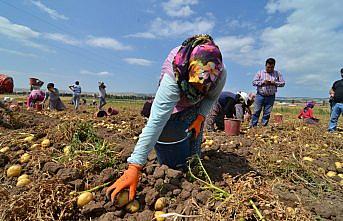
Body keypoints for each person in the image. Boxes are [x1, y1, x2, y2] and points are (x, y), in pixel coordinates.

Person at [105, 34, 226, 203]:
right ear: (189, 72)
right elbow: (156, 120)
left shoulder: (219, 74)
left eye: (203, 88)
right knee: (166, 126)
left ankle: (193, 165)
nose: (199, 90)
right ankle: (169, 162)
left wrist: (200, 117)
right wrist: (135, 166)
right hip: (177, 97)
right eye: (196, 86)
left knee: (194, 138)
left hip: (195, 106)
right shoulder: (174, 73)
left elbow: (210, 98)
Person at [250, 58, 285, 127]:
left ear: (274, 66)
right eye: (268, 67)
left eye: (272, 67)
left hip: (271, 96)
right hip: (260, 95)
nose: (270, 69)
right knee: (257, 111)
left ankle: (263, 125)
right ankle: (253, 126)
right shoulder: (260, 73)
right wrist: (263, 82)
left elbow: (283, 83)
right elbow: (254, 82)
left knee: (267, 112)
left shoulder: (277, 74)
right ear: (265, 65)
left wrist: (274, 83)